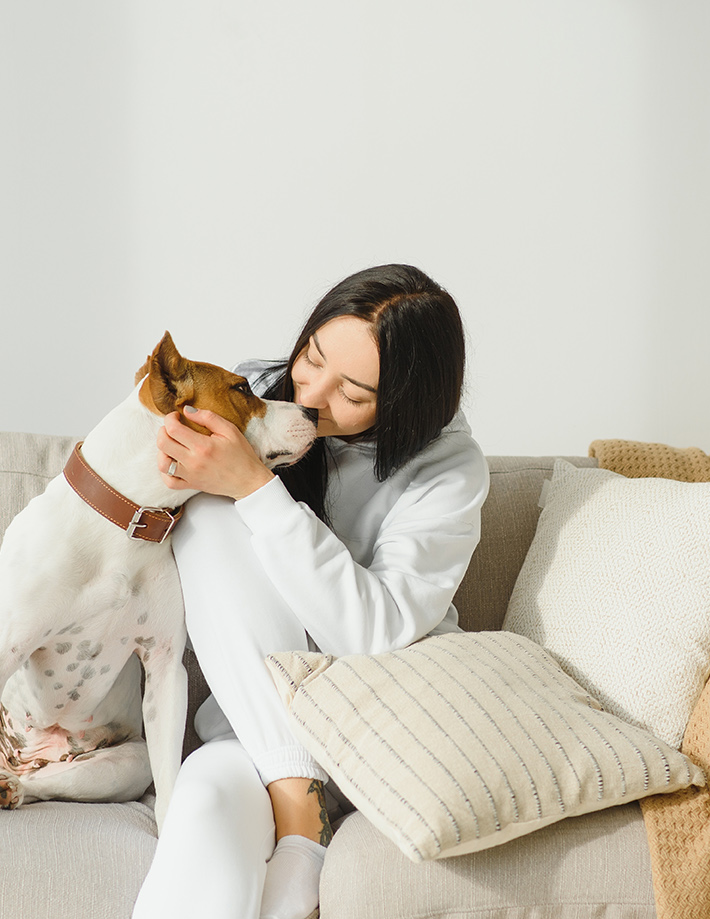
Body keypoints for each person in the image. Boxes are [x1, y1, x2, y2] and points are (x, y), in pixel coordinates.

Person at [131, 264, 489, 919]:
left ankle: (303, 813)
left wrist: (255, 490)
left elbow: (374, 632)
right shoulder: (252, 397)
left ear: (407, 401)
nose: (313, 394)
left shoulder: (449, 470)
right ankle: (298, 806)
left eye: (351, 389)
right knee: (203, 805)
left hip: (368, 732)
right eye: (311, 356)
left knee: (222, 499)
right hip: (254, 733)